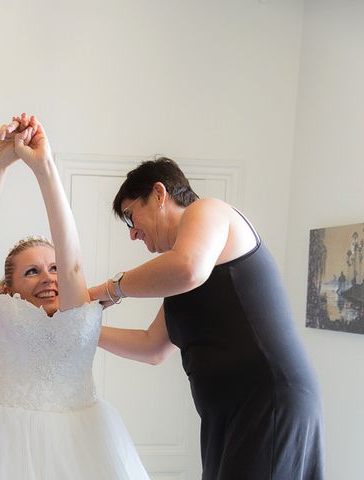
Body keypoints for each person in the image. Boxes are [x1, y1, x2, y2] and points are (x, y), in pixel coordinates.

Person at [0, 115, 150, 479]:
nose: (48, 278)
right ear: (7, 289)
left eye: (52, 268)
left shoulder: (77, 310)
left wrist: (45, 168)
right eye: (32, 271)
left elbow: (72, 265)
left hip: (79, 448)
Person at [89, 157, 324, 479]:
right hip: (229, 413)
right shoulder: (182, 271)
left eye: (131, 217)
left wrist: (108, 290)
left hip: (266, 397)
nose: (132, 234)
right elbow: (152, 347)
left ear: (159, 193)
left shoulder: (208, 211)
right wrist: (85, 329)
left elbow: (188, 268)